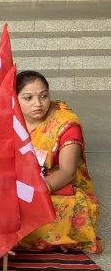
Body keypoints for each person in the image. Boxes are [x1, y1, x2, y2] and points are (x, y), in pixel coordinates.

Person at [15, 71, 101, 253]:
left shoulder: (66, 124)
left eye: (44, 96)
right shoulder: (10, 119)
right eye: (28, 98)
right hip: (20, 180)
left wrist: (35, 192)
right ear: (15, 99)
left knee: (60, 211)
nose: (38, 103)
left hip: (57, 185)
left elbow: (67, 172)